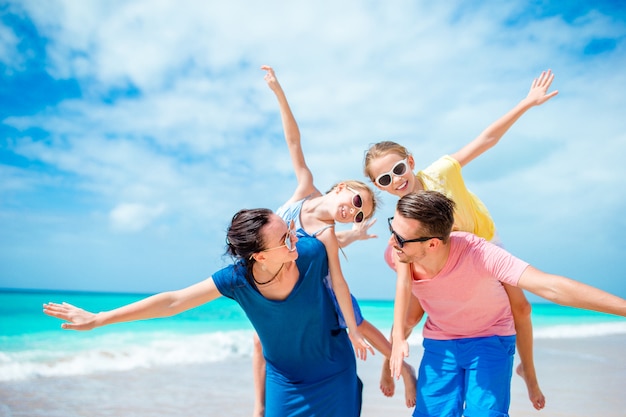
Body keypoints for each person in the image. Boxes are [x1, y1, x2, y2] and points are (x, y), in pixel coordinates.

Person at [361, 70, 558, 410]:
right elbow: (403, 283)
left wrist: (526, 103)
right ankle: (393, 360)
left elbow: (485, 140)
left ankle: (528, 369)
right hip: (440, 264)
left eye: (397, 170)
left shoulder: (440, 172)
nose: (395, 180)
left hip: (482, 250)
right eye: (383, 179)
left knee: (521, 307)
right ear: (378, 186)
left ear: (410, 162)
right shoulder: (406, 220)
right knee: (408, 318)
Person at [44, 209, 363, 417]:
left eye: (291, 232)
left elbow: (329, 238)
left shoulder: (309, 253)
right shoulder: (237, 280)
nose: (294, 240)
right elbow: (173, 302)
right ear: (259, 257)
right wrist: (100, 318)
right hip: (287, 382)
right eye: (284, 239)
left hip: (335, 372)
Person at [252, 66, 417, 415]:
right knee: (258, 340)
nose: (353, 211)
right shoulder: (303, 191)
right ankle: (259, 407)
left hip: (321, 288)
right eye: (357, 202)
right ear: (343, 187)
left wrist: (349, 237)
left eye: (360, 214)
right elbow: (293, 141)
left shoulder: (327, 233)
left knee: (356, 323)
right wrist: (279, 93)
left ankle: (401, 368)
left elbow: (320, 258)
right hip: (285, 282)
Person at [387, 190, 626, 417]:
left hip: (490, 337)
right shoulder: (399, 252)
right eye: (392, 227)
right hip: (441, 342)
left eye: (400, 237)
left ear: (432, 244)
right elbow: (406, 309)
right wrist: (389, 362)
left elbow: (550, 287)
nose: (391, 240)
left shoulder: (480, 254)